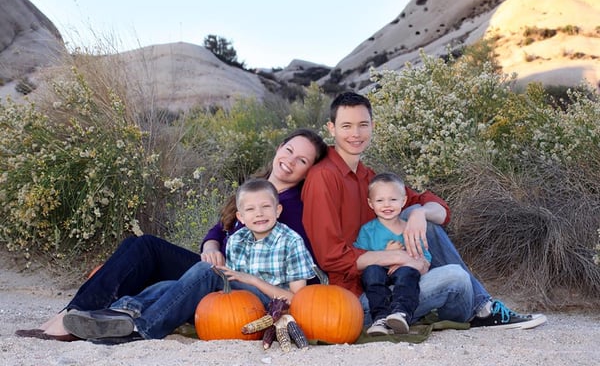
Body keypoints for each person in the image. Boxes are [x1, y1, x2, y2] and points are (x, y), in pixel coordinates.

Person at [15, 128, 328, 341]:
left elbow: (287, 266)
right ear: (278, 149)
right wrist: (211, 244)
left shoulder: (290, 207)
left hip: (239, 284)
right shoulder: (253, 189)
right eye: (289, 150)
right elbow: (218, 228)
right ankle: (77, 315)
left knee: (157, 256)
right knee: (141, 246)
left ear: (308, 170)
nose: (290, 161)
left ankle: (93, 321)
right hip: (219, 267)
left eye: (302, 160)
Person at [301, 91, 547, 330]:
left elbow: (440, 209)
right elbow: (330, 256)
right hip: (358, 300)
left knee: (421, 216)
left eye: (363, 124)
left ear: (372, 126)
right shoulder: (324, 177)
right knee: (456, 278)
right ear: (331, 128)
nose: (356, 134)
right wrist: (399, 257)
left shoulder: (369, 178)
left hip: (396, 283)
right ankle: (481, 308)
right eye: (346, 126)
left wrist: (419, 213)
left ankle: (481, 307)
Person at [61, 178, 316, 342]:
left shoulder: (290, 242)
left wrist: (252, 280)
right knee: (174, 284)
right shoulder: (237, 240)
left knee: (206, 271)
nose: (259, 214)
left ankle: (144, 328)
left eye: (265, 207)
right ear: (240, 215)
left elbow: (296, 299)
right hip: (235, 300)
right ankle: (120, 312)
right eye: (250, 209)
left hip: (267, 308)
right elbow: (229, 286)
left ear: (278, 210)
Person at [354, 172, 432, 336]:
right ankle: (380, 318)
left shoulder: (410, 230)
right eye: (380, 200)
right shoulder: (368, 230)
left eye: (393, 200)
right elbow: (359, 257)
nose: (387, 205)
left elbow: (425, 261)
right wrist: (385, 255)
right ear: (370, 203)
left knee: (408, 274)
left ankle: (401, 313)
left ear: (403, 201)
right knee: (372, 271)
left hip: (403, 274)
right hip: (378, 277)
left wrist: (405, 261)